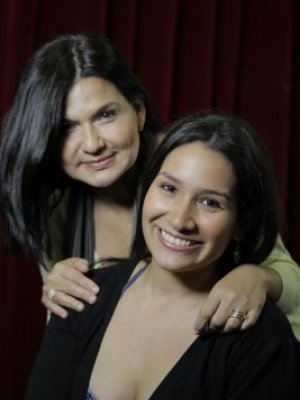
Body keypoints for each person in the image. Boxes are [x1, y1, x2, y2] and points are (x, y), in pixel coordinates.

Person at [0, 33, 299, 338]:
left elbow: (292, 287)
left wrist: (259, 277)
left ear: (138, 112)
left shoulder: (190, 164)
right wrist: (56, 296)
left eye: (105, 115)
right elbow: (68, 339)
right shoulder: (55, 209)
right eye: (67, 128)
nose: (92, 144)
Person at [25, 113, 299, 399]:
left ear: (241, 224)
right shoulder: (81, 294)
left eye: (210, 202)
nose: (181, 220)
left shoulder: (262, 336)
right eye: (169, 188)